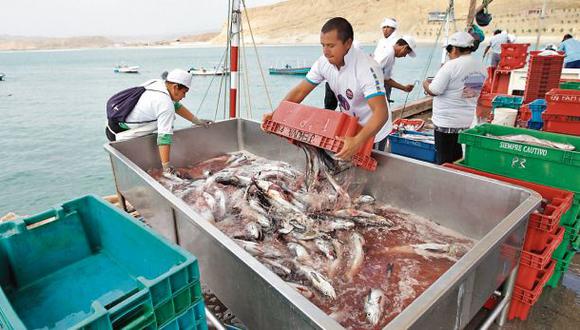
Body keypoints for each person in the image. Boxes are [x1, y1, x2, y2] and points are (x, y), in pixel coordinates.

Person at [264, 17, 390, 155]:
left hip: (374, 130)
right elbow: (299, 92)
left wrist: (357, 140)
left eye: (331, 46)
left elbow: (381, 113)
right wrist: (276, 114)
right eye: (322, 45)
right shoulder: (323, 62)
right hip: (350, 126)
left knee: (371, 172)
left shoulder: (366, 67)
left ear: (348, 43)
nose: (325, 51)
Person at [105, 69, 213, 175]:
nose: (184, 96)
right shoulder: (165, 104)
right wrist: (166, 168)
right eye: (184, 92)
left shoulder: (157, 84)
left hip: (112, 124)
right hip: (121, 136)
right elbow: (164, 138)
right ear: (175, 87)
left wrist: (197, 121)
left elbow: (176, 105)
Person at [423, 32, 486, 165]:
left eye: (448, 50)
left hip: (446, 122)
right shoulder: (480, 65)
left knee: (444, 160)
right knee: (457, 155)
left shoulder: (451, 65)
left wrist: (425, 84)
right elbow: (469, 91)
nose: (448, 54)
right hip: (465, 121)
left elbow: (434, 90)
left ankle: (445, 183)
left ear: (455, 48)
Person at [376, 36, 417, 100]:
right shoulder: (389, 55)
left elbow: (385, 78)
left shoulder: (386, 49)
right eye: (406, 53)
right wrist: (404, 88)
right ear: (404, 47)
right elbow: (386, 80)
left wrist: (404, 88)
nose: (404, 56)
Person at [373, 18, 399, 101]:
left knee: (384, 101)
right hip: (376, 76)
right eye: (384, 27)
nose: (385, 29)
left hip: (386, 77)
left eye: (388, 27)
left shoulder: (395, 42)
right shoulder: (381, 42)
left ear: (393, 29)